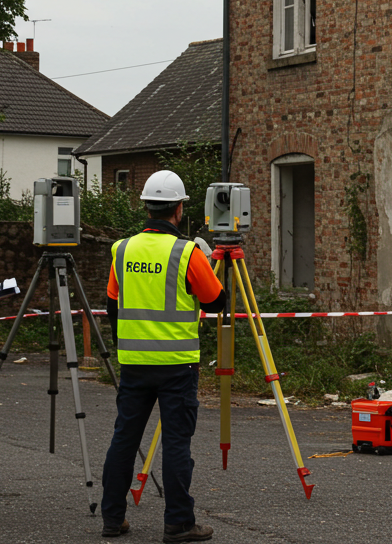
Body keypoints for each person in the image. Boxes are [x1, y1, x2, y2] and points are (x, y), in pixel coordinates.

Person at [99, 171, 228, 542]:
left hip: (134, 364)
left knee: (124, 439)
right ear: (179, 209)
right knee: (175, 444)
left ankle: (112, 519)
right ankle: (178, 523)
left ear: (146, 207)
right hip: (176, 364)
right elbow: (216, 302)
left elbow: (112, 305)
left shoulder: (121, 249)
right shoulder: (186, 251)